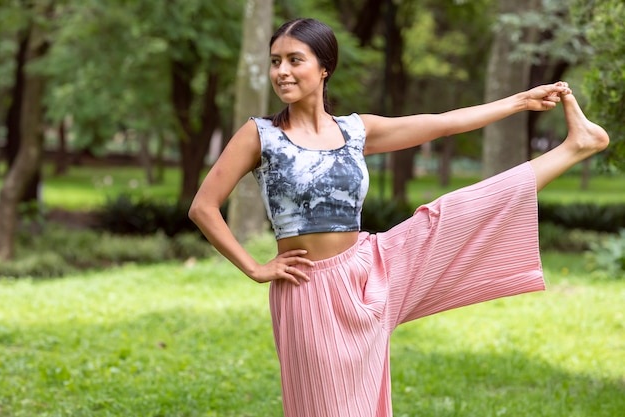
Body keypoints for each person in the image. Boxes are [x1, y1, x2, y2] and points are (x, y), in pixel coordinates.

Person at [189, 17, 609, 417]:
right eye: (276, 61)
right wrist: (255, 268)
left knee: (453, 213)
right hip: (307, 286)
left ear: (323, 69)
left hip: (371, 270)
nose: (282, 71)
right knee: (325, 404)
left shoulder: (355, 131)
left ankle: (576, 146)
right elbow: (204, 207)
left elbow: (442, 124)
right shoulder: (261, 135)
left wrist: (518, 102)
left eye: (294, 60)